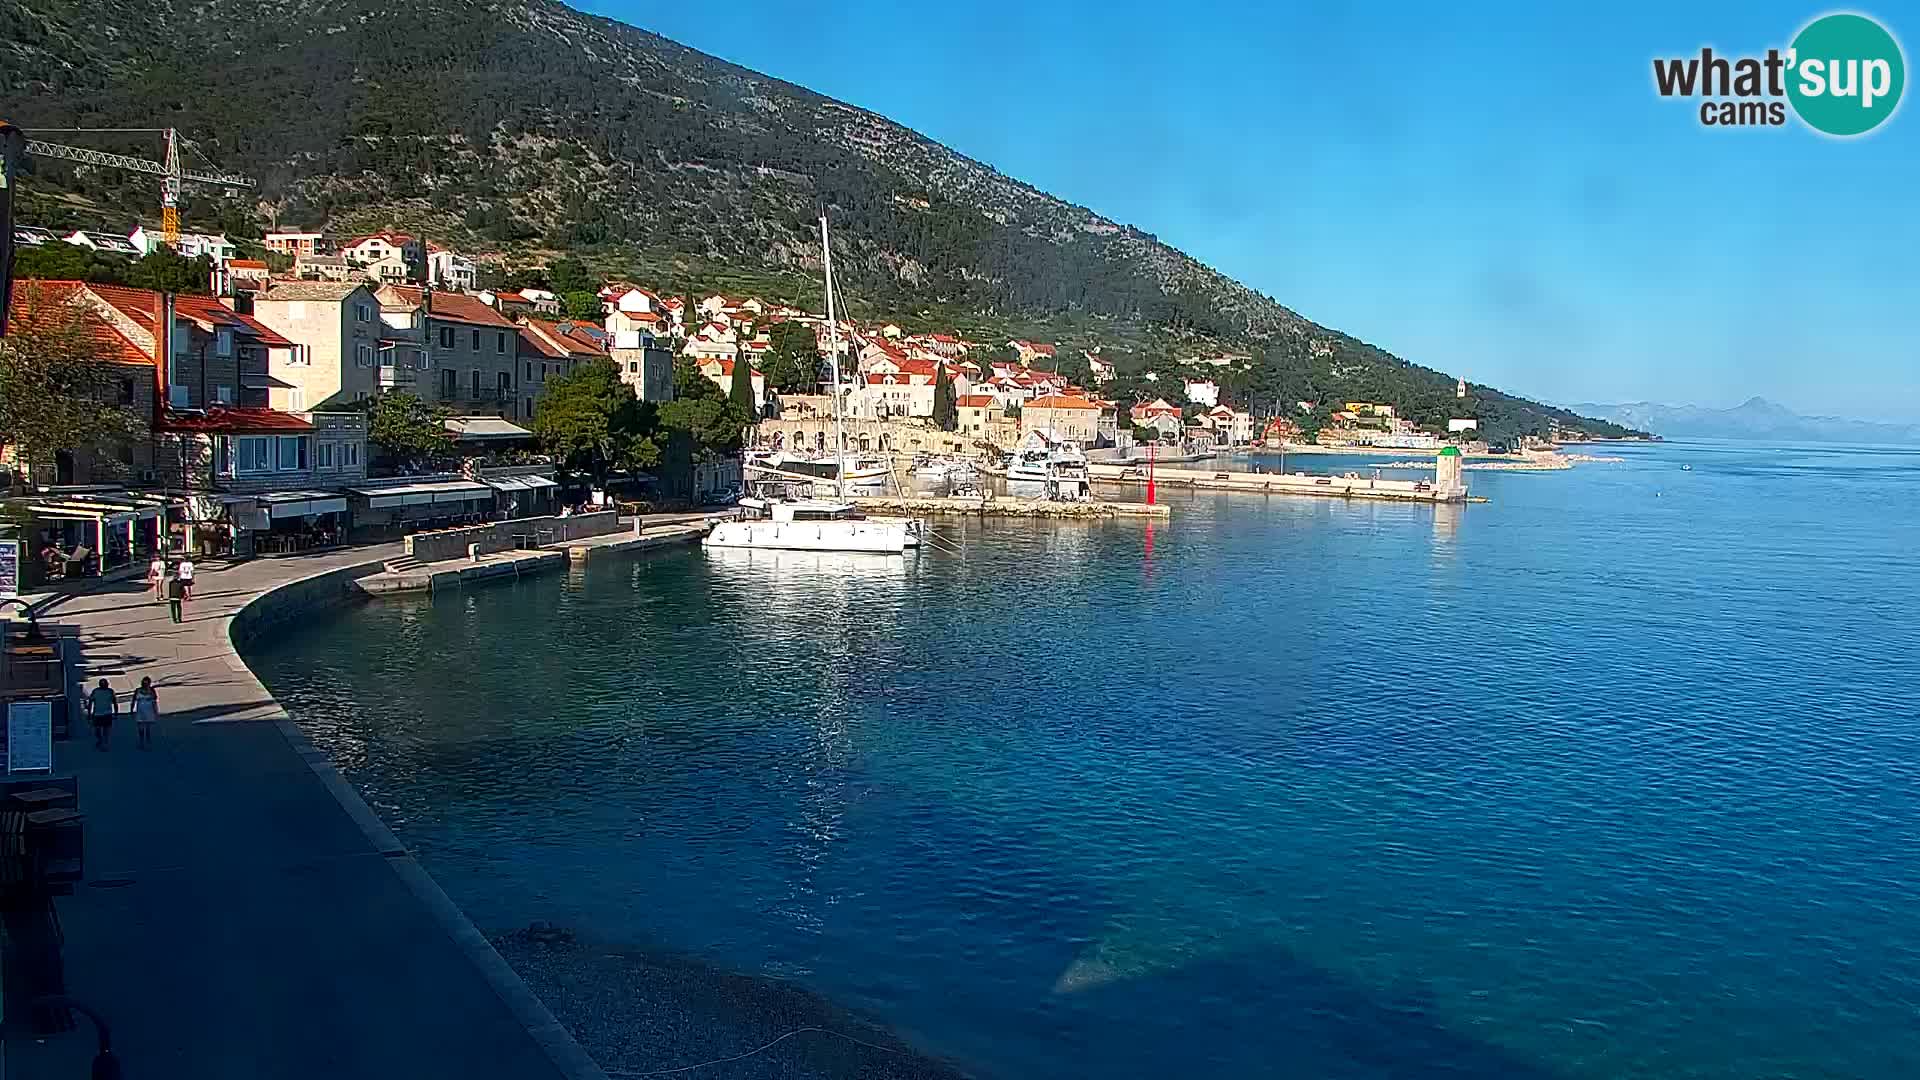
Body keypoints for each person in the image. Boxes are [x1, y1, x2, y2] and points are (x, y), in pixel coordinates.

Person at [87, 678, 118, 751]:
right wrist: (89, 713)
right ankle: (100, 739)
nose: (104, 685)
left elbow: (115, 702)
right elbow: (90, 702)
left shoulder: (110, 691)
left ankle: (105, 743)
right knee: (97, 730)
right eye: (102, 684)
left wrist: (116, 712)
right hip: (97, 713)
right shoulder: (95, 691)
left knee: (106, 729)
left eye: (105, 684)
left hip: (107, 713)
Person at [131, 676, 159, 750]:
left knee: (147, 728)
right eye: (144, 683)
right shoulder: (137, 690)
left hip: (149, 711)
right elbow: (133, 700)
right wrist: (131, 710)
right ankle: (141, 741)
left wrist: (156, 711)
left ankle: (147, 742)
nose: (145, 685)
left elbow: (154, 701)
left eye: (147, 683)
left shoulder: (152, 690)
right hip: (140, 711)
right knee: (140, 728)